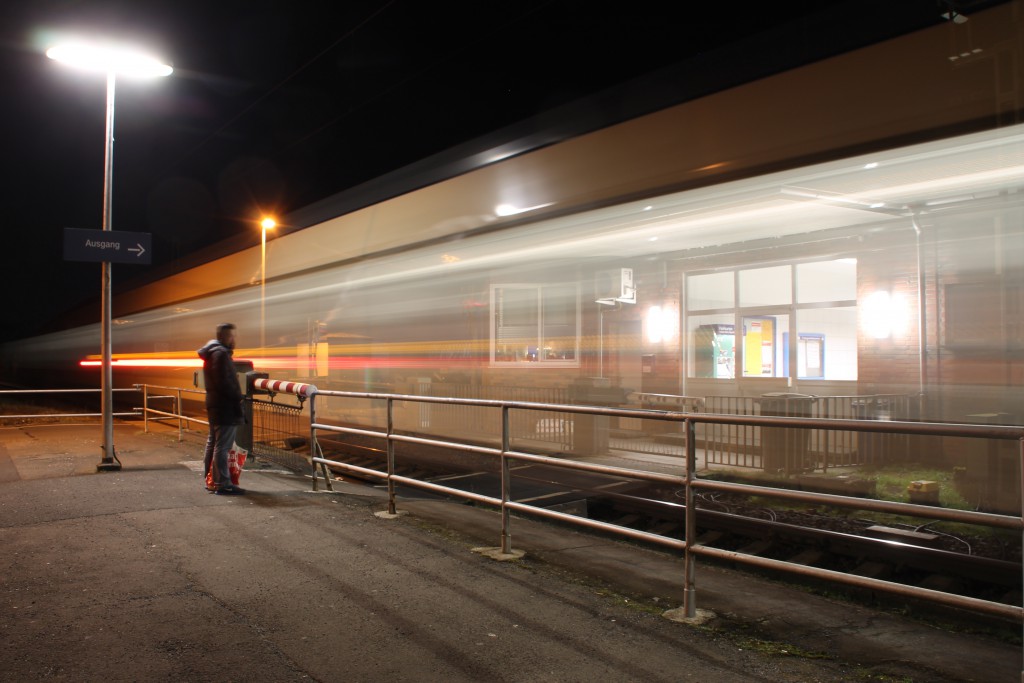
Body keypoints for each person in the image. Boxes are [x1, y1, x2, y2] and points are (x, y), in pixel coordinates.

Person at [198, 323, 245, 495]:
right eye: (232, 336)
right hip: (224, 406)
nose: (234, 339)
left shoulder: (213, 353)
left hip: (215, 404)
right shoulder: (221, 354)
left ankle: (210, 480)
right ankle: (222, 483)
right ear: (224, 337)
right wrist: (237, 397)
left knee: (214, 443)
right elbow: (224, 382)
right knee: (222, 446)